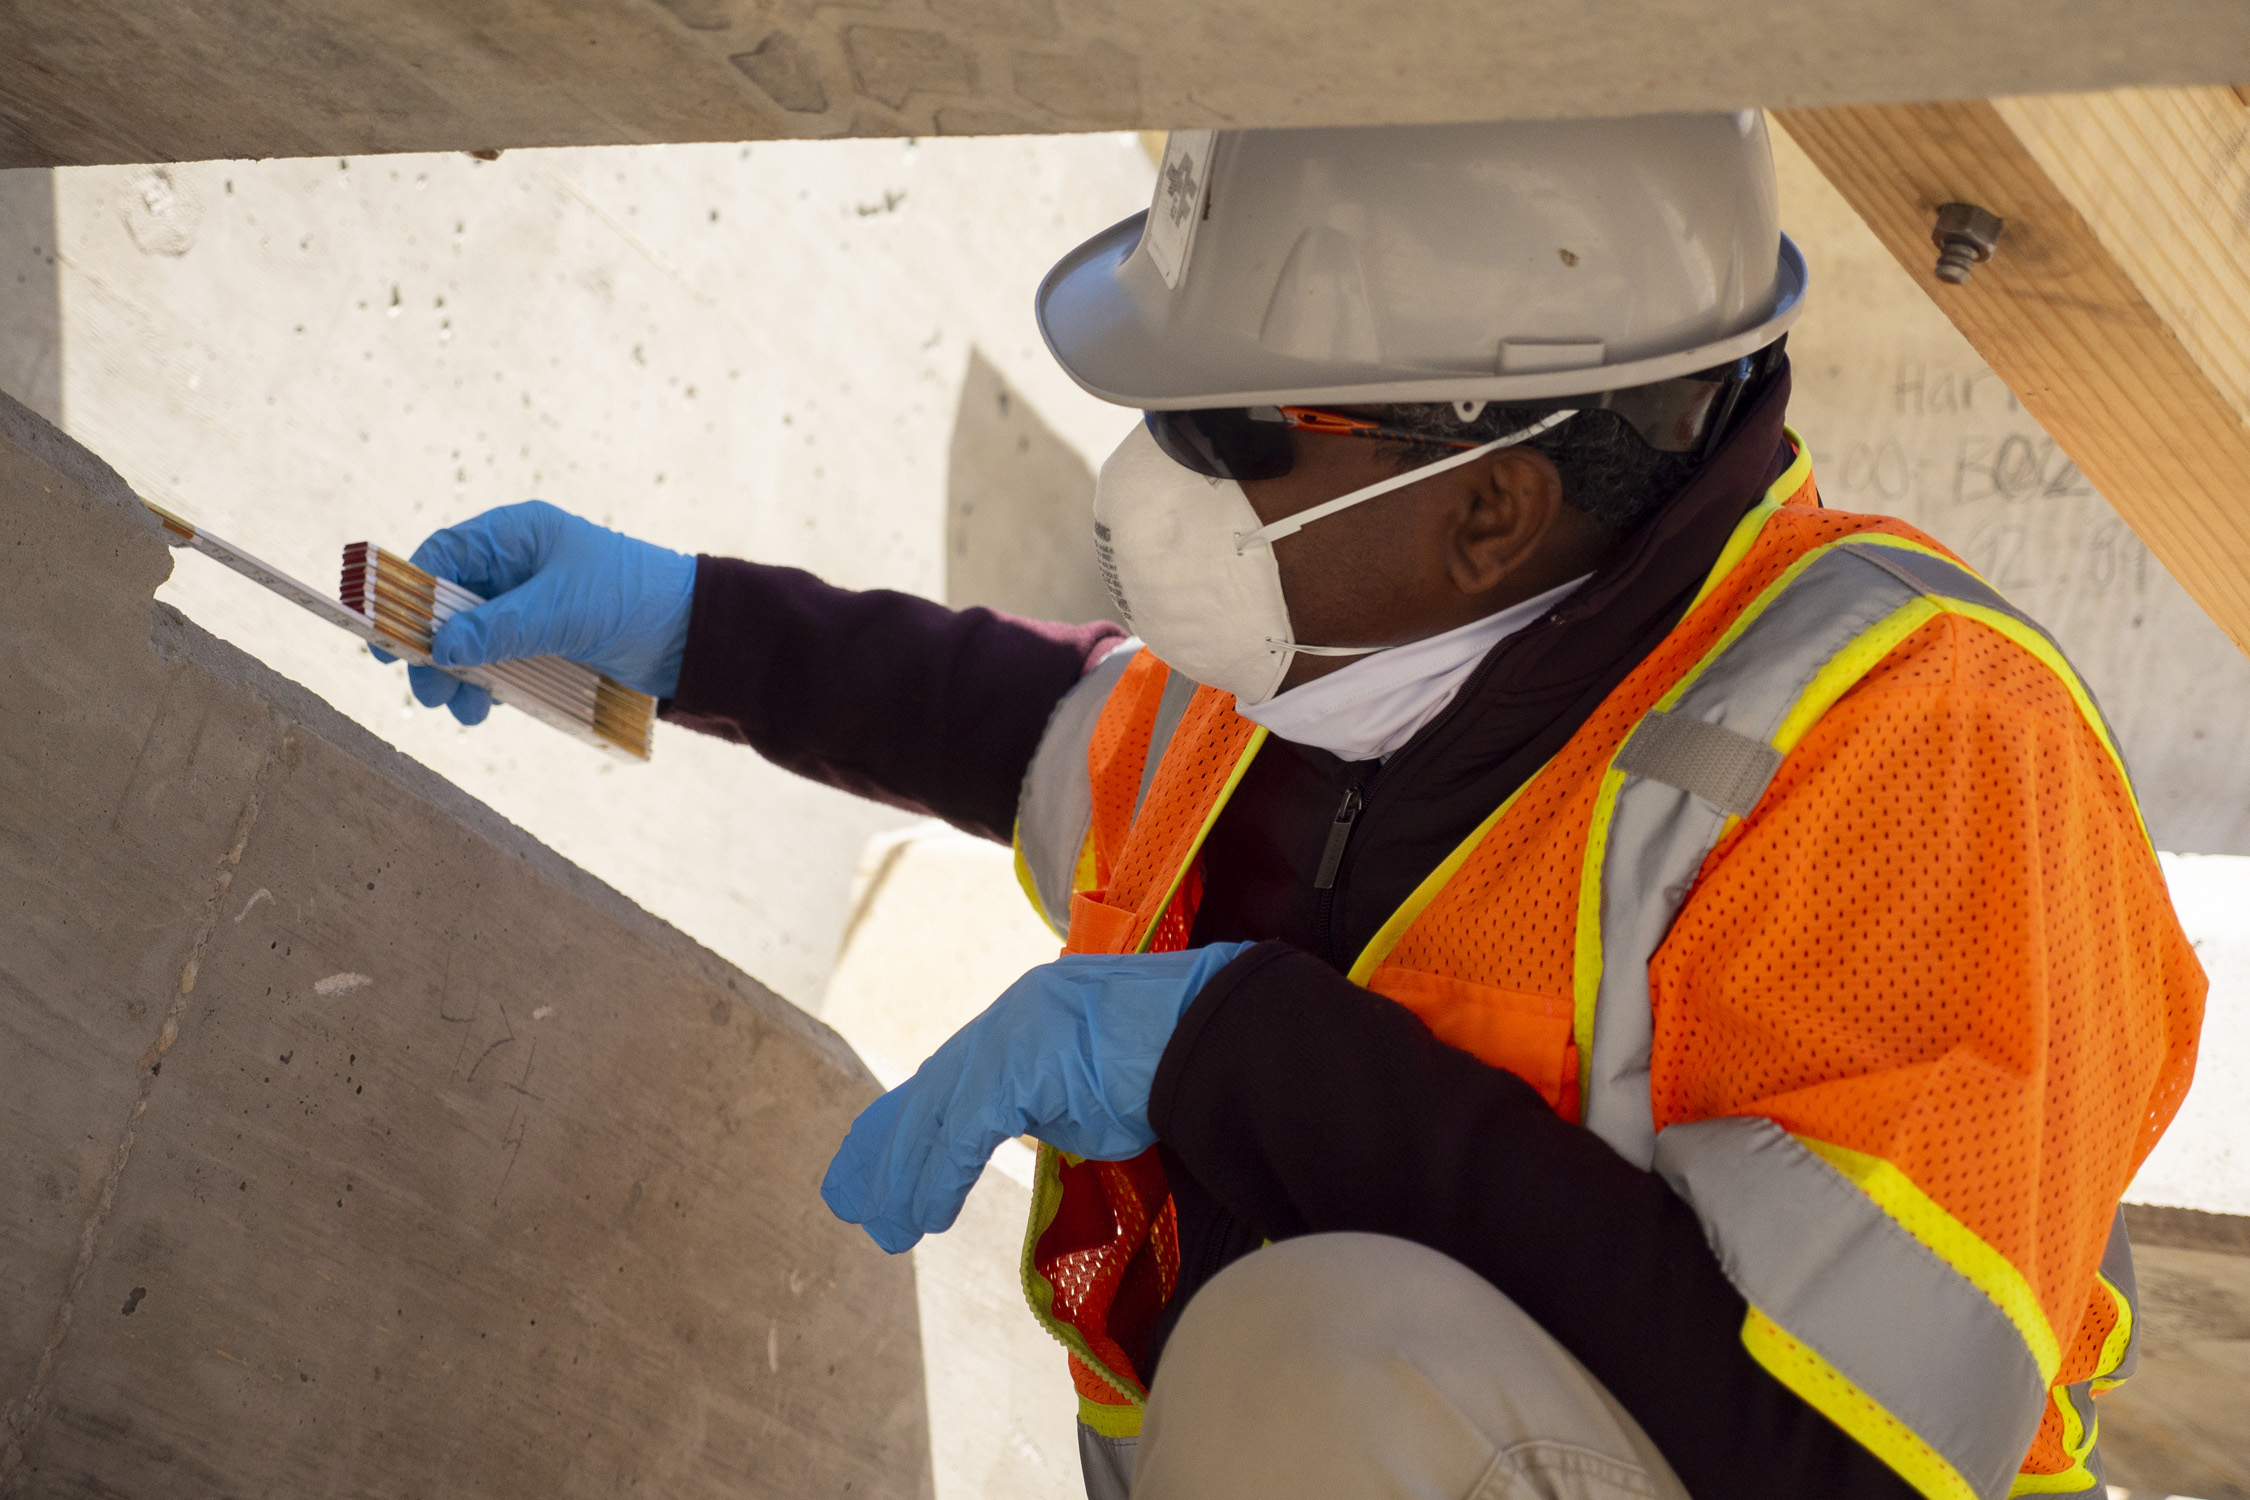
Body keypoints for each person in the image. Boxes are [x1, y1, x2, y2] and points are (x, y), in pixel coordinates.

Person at [392, 116, 2204, 1500]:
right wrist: (685, 624)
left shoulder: (1917, 746)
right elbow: (1039, 726)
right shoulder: (1360, 642)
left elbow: (1843, 1458)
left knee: (1326, 1357)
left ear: (1484, 508)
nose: (1144, 485)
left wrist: (1236, 1055)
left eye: (1223, 438)